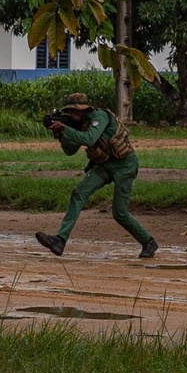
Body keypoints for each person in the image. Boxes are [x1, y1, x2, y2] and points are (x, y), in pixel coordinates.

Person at [36, 93, 158, 259]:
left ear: (85, 109)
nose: (72, 115)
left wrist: (66, 128)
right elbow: (69, 151)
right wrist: (61, 135)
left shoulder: (100, 116)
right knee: (79, 193)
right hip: (104, 166)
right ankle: (60, 240)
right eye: (69, 112)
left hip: (125, 166)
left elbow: (90, 139)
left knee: (120, 213)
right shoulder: (79, 124)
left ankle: (148, 242)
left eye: (75, 111)